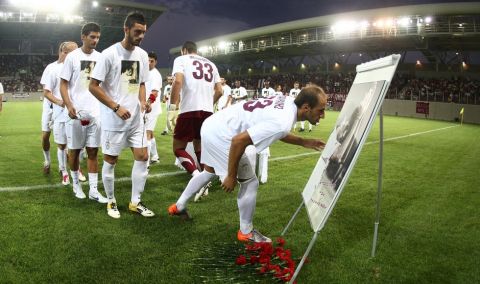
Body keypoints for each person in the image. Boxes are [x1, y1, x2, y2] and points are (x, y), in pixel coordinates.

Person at [169, 85, 327, 243]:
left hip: (212, 124)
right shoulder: (283, 120)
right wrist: (231, 175)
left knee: (209, 172)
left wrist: (304, 141)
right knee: (250, 183)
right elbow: (239, 141)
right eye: (321, 110)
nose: (323, 115)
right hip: (224, 135)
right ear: (306, 107)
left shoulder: (288, 101)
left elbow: (276, 130)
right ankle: (246, 232)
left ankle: (179, 206)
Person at [89, 12, 154, 219]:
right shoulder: (109, 54)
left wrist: (143, 102)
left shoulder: (143, 55)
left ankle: (135, 202)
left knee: (143, 156)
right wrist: (116, 107)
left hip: (136, 119)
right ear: (126, 29)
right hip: (114, 119)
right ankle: (111, 201)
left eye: (143, 32)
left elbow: (141, 83)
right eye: (137, 32)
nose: (141, 36)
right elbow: (93, 86)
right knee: (110, 160)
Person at [60, 22, 107, 202]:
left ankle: (94, 190)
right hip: (76, 112)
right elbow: (63, 84)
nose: (95, 40)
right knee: (75, 151)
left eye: (97, 37)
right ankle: (76, 184)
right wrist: (68, 104)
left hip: (96, 112)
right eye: (92, 37)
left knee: (94, 152)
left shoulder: (102, 57)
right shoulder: (72, 57)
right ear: (83, 37)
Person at [170, 41, 222, 177]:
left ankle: (196, 176)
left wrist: (171, 107)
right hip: (208, 112)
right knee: (198, 146)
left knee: (178, 148)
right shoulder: (211, 64)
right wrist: (209, 103)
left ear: (184, 50)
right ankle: (205, 178)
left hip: (189, 109)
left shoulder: (181, 59)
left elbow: (178, 81)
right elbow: (220, 91)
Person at [43, 41, 78, 186]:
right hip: (54, 109)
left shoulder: (77, 67)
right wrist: (60, 103)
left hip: (72, 110)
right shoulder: (52, 68)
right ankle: (52, 163)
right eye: (73, 52)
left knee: (74, 144)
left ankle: (73, 170)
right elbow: (47, 92)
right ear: (63, 52)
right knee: (51, 139)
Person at [39, 43, 63, 174]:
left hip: (64, 108)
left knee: (64, 139)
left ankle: (62, 168)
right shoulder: (51, 67)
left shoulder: (74, 67)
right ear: (62, 51)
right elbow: (46, 88)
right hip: (50, 107)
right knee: (45, 136)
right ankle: (47, 161)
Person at [144, 52, 162, 165]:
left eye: (152, 61)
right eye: (148, 60)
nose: (149, 63)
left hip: (151, 109)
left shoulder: (155, 75)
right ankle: (155, 156)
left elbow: (154, 92)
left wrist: (148, 103)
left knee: (147, 134)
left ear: (155, 62)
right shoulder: (145, 73)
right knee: (150, 133)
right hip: (146, 108)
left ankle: (146, 163)